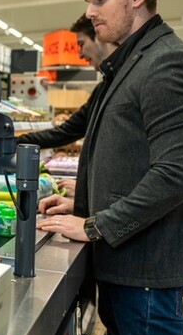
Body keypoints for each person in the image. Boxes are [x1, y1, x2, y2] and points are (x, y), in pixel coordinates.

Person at [37, 0, 183, 335]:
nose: (90, 11)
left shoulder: (168, 64)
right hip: (126, 264)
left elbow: (176, 175)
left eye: (100, 0)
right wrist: (86, 202)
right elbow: (131, 158)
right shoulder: (132, 63)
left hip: (148, 269)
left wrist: (95, 223)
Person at [18, 13, 115, 198]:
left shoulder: (121, 84)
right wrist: (15, 141)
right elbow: (66, 131)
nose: (79, 53)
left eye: (81, 44)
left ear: (99, 36)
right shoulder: (104, 88)